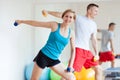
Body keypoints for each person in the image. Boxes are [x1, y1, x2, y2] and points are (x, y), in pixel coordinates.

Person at [42, 3, 103, 80]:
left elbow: (94, 39)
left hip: (87, 52)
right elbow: (62, 14)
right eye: (95, 11)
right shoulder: (78, 18)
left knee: (99, 69)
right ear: (89, 10)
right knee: (69, 73)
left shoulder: (94, 24)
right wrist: (48, 12)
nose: (96, 13)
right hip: (78, 50)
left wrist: (96, 53)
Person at [15, 9, 76, 80]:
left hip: (54, 59)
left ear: (73, 20)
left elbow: (73, 50)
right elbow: (37, 23)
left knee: (71, 77)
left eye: (71, 17)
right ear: (62, 17)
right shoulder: (55, 25)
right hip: (44, 56)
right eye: (66, 16)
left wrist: (70, 65)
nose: (68, 18)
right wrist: (22, 21)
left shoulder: (71, 33)